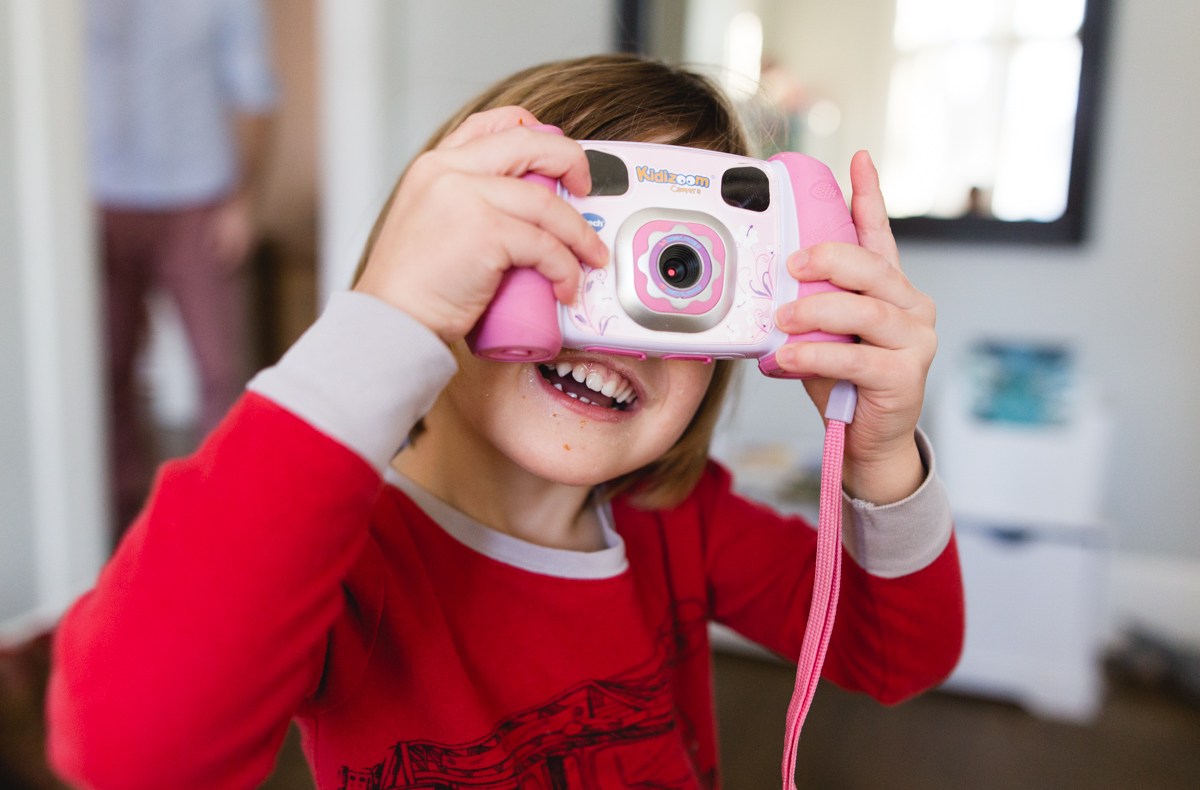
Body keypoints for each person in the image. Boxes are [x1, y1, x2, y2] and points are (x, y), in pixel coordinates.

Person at [47, 56, 963, 789]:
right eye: (569, 245)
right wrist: (384, 321)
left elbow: (899, 656)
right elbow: (131, 754)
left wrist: (879, 454)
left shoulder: (679, 519)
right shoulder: (354, 560)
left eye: (684, 274)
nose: (629, 333)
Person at [87, 0, 279, 534]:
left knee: (220, 370)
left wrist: (245, 201)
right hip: (96, 200)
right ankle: (121, 525)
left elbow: (256, 90)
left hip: (200, 197)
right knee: (105, 369)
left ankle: (221, 523)